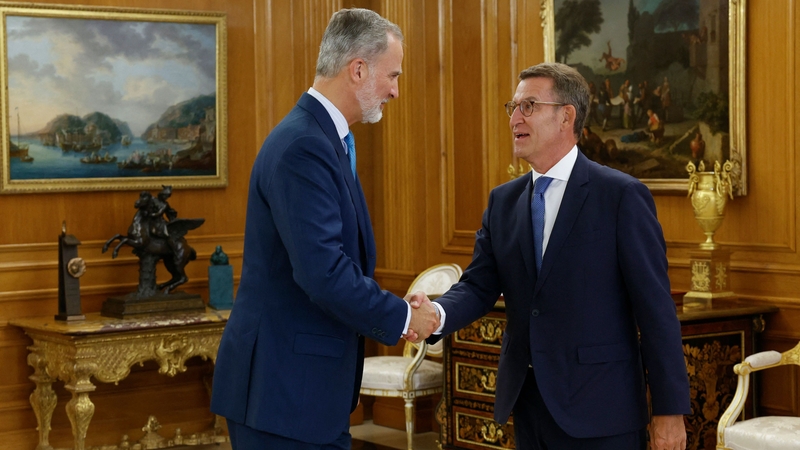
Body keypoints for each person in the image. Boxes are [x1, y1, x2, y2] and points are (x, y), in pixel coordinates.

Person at [413, 62, 690, 450]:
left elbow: (656, 311)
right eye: (512, 107)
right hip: (529, 405)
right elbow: (478, 285)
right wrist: (435, 315)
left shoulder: (621, 197)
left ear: (566, 116)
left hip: (602, 412)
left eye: (529, 106)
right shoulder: (503, 202)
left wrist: (669, 410)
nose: (515, 118)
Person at [210, 8, 439, 449]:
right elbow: (324, 273)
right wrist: (405, 316)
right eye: (392, 75)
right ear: (358, 69)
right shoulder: (304, 147)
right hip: (283, 398)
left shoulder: (322, 140)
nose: (395, 90)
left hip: (304, 396)